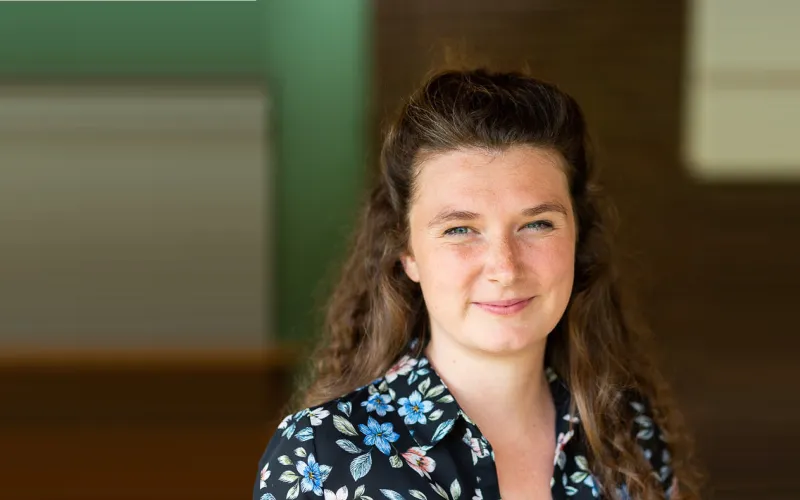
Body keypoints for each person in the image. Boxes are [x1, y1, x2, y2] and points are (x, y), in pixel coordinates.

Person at [253, 68, 700, 500]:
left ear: (578, 238)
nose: (504, 268)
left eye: (537, 224)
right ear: (407, 254)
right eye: (460, 230)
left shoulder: (629, 434)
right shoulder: (322, 458)